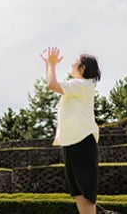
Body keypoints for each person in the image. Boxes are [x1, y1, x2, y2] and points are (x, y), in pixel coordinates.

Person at [41, 46, 102, 214]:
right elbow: (53, 84)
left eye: (75, 62)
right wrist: (49, 64)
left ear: (83, 68)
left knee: (85, 191)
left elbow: (52, 85)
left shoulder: (81, 85)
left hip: (82, 142)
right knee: (79, 191)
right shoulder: (80, 86)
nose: (71, 64)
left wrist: (51, 64)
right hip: (74, 143)